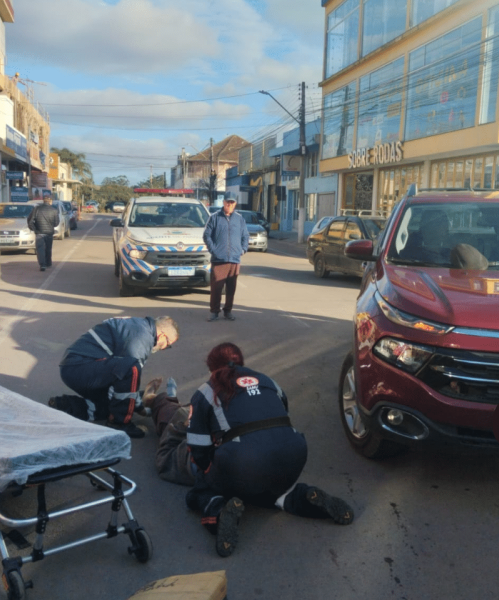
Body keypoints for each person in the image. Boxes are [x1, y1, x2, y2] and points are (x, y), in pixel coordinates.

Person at [184, 342, 354, 557]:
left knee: (200, 489)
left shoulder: (207, 391)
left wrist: (210, 470)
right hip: (295, 453)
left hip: (246, 461)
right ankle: (301, 496)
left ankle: (217, 512)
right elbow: (281, 413)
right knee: (274, 493)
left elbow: (197, 447)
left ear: (212, 368)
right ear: (241, 361)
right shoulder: (268, 381)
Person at [56, 316, 179, 438]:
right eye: (168, 345)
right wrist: (141, 409)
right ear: (162, 336)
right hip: (80, 369)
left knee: (114, 404)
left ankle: (69, 406)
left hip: (77, 367)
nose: (164, 348)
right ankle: (119, 423)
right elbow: (129, 375)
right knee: (132, 369)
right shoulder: (142, 338)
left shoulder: (139, 325)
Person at [203, 193, 249, 321]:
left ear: (235, 204)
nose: (230, 205)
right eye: (228, 202)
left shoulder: (239, 219)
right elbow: (207, 235)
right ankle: (214, 311)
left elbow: (245, 236)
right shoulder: (215, 218)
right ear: (223, 202)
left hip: (234, 259)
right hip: (219, 260)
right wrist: (214, 250)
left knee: (231, 288)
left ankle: (228, 310)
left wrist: (243, 249)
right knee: (216, 287)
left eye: (232, 202)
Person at [27, 195, 60, 271]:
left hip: (39, 232)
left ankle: (42, 265)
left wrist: (34, 229)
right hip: (49, 233)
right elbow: (56, 223)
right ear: (50, 201)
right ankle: (48, 263)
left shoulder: (37, 209)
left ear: (43, 201)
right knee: (48, 248)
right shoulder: (54, 210)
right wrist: (50, 226)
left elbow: (30, 221)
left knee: (40, 249)